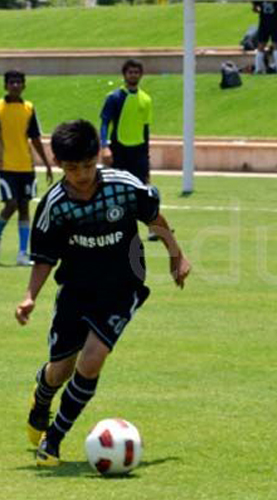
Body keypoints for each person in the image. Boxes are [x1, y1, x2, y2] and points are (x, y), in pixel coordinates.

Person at [16, 119, 191, 466]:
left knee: (93, 358)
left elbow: (154, 218)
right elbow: (45, 258)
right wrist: (30, 295)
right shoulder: (55, 205)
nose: (81, 175)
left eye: (86, 165)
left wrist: (177, 255)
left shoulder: (123, 186)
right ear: (59, 164)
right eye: (71, 168)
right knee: (60, 370)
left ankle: (53, 440)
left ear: (98, 155)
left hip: (122, 286)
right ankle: (43, 393)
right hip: (76, 290)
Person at [99, 59, 157, 241]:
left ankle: (153, 228)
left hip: (138, 151)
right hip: (119, 149)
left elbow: (145, 129)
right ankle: (112, 227)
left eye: (136, 72)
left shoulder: (146, 99)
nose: (133, 75)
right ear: (124, 74)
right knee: (116, 189)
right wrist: (104, 146)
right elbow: (104, 123)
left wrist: (147, 155)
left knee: (144, 189)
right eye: (130, 72)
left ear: (141, 75)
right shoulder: (114, 97)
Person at [0, 70, 53, 266]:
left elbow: (35, 138)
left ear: (24, 85)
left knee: (24, 207)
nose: (15, 85)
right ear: (5, 86)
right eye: (11, 82)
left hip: (26, 167)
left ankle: (23, 253)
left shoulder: (29, 108)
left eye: (18, 82)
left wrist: (46, 164)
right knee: (11, 204)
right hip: (6, 167)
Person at [252, 1, 277, 74]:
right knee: (273, 46)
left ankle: (258, 69)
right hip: (271, 23)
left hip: (267, 23)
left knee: (266, 46)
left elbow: (255, 9)